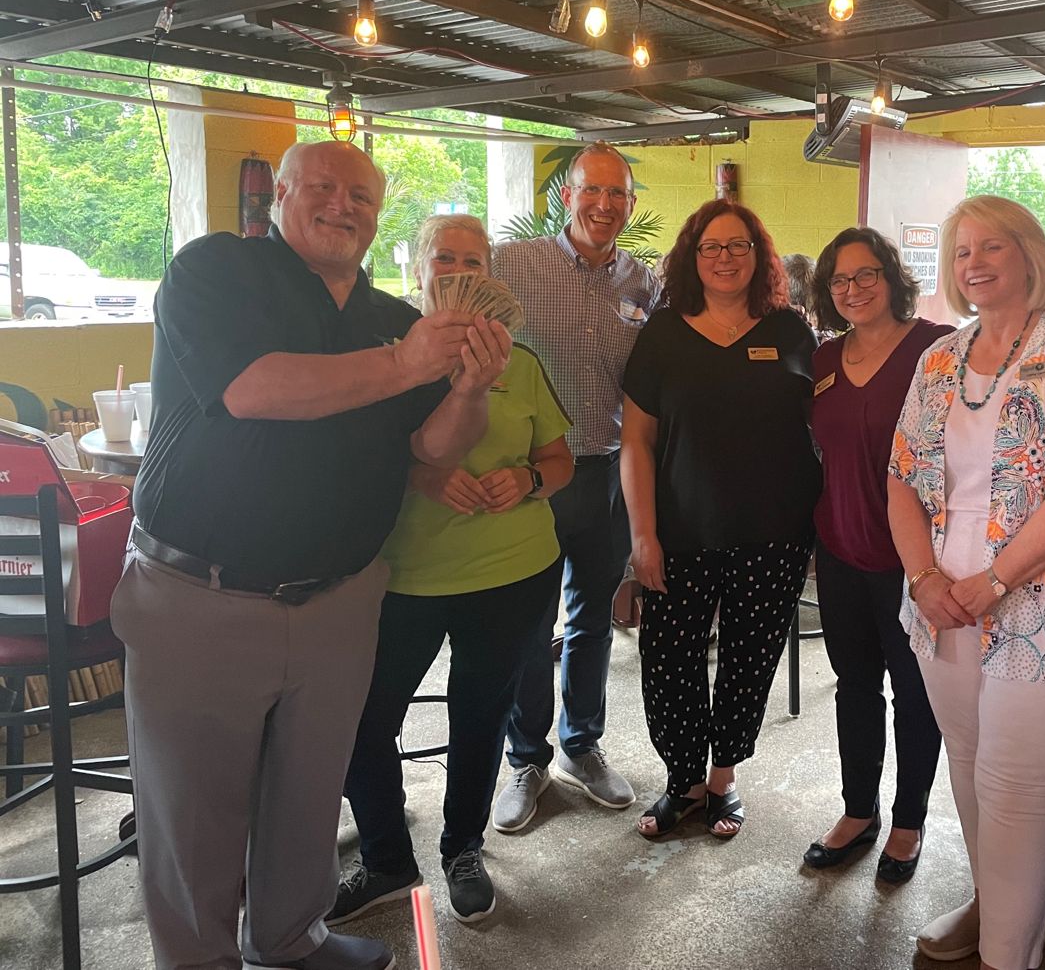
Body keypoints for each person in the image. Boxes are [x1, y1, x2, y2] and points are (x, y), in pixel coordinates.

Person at [111, 140, 510, 970]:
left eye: (361, 195)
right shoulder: (217, 271)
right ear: (279, 196)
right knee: (194, 812)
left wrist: (469, 388)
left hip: (339, 598)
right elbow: (253, 389)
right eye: (322, 187)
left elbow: (434, 449)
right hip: (201, 594)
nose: (342, 204)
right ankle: (198, 962)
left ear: (378, 215)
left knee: (307, 794)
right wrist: (406, 364)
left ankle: (292, 939)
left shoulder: (393, 317)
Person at [888, 195, 1045, 968]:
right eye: (960, 252)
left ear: (1028, 254)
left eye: (991, 247)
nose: (974, 263)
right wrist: (923, 578)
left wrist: (992, 582)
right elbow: (901, 480)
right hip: (943, 605)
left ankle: (1008, 956)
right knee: (971, 766)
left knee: (1022, 793)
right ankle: (991, 910)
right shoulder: (940, 358)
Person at [331, 215, 573, 928]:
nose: (460, 273)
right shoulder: (382, 358)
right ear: (417, 270)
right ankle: (385, 858)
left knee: (479, 716)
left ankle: (463, 848)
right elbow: (345, 457)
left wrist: (526, 480)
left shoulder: (519, 363)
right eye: (445, 259)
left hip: (511, 572)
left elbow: (560, 462)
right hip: (400, 574)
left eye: (474, 260)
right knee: (361, 720)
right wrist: (421, 478)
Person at [621, 199, 820, 839]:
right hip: (680, 534)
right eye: (712, 247)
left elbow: (819, 429)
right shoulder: (663, 333)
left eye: (738, 246)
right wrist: (643, 537)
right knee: (669, 659)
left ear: (758, 256)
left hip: (774, 535)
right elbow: (636, 444)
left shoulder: (790, 331)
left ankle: (723, 780)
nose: (726, 258)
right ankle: (682, 782)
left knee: (748, 660)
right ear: (692, 257)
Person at [488, 142, 660, 831]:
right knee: (528, 623)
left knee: (594, 619)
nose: (605, 206)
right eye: (593, 191)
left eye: (618, 195)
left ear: (631, 204)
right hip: (536, 473)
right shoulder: (514, 267)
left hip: (610, 473)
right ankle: (525, 759)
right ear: (566, 196)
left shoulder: (643, 285)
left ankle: (580, 746)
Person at [802, 227, 951, 882]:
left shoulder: (935, 348)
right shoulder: (824, 358)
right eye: (840, 280)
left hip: (912, 562)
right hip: (838, 550)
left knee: (917, 695)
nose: (853, 289)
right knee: (854, 687)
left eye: (867, 275)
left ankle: (909, 821)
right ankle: (857, 810)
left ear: (892, 278)